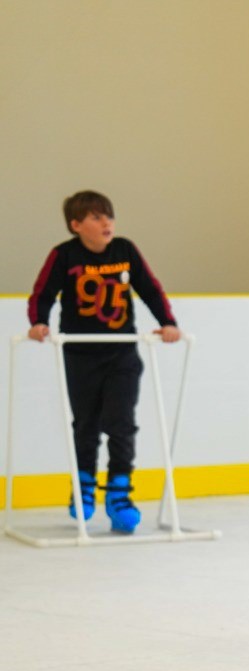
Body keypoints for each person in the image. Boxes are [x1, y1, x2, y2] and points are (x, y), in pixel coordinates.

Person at [26, 190, 181, 534]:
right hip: (80, 355)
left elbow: (150, 288)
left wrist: (168, 323)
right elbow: (44, 292)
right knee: (86, 425)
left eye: (109, 216)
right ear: (76, 225)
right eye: (96, 217)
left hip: (121, 353)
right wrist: (38, 322)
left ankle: (119, 495)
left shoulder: (124, 251)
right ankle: (83, 489)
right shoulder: (64, 256)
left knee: (121, 424)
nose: (106, 222)